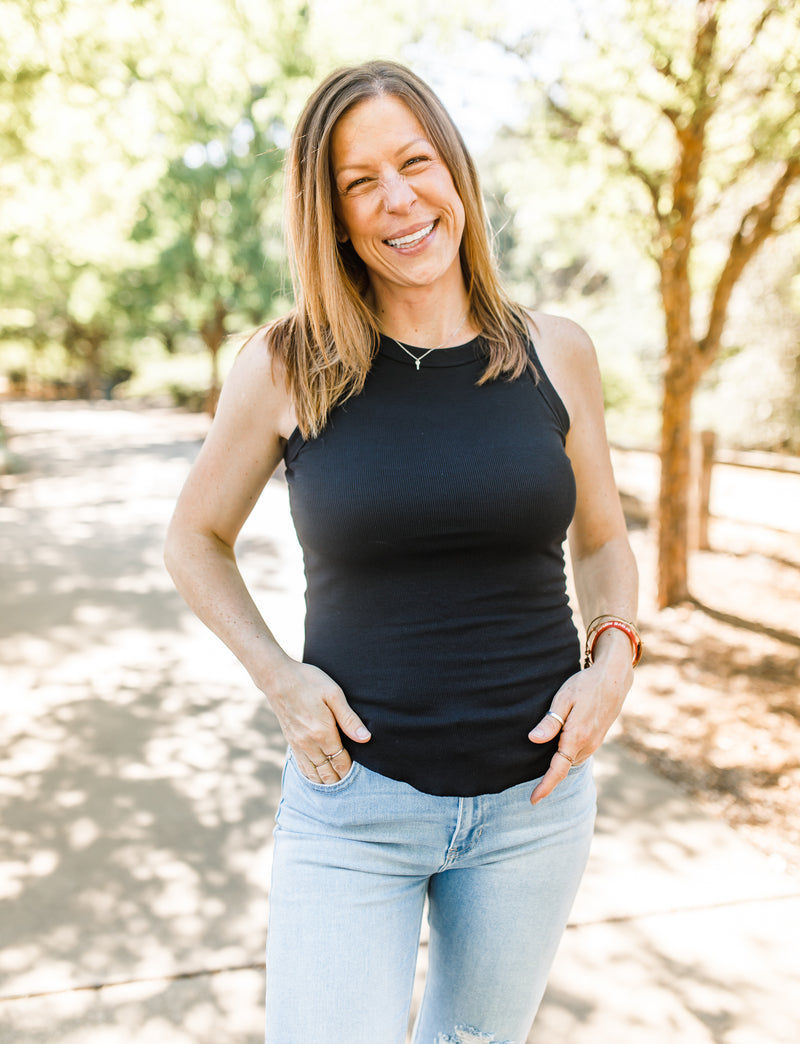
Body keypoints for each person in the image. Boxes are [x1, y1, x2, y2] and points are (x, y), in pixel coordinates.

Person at [164, 59, 640, 1044]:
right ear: (332, 217)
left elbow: (599, 541)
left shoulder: (556, 353)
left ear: (455, 172)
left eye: (414, 163)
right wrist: (279, 680)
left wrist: (614, 660)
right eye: (359, 182)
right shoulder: (288, 365)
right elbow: (194, 540)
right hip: (355, 810)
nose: (398, 200)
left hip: (534, 809)